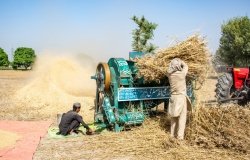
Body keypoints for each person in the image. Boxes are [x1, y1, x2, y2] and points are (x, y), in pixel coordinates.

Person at [166, 58, 191, 140]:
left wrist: (173, 62)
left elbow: (168, 69)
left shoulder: (169, 75)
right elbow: (186, 66)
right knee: (182, 117)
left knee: (173, 117)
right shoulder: (182, 74)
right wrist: (181, 61)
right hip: (181, 98)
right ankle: (180, 137)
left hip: (173, 97)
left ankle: (172, 135)